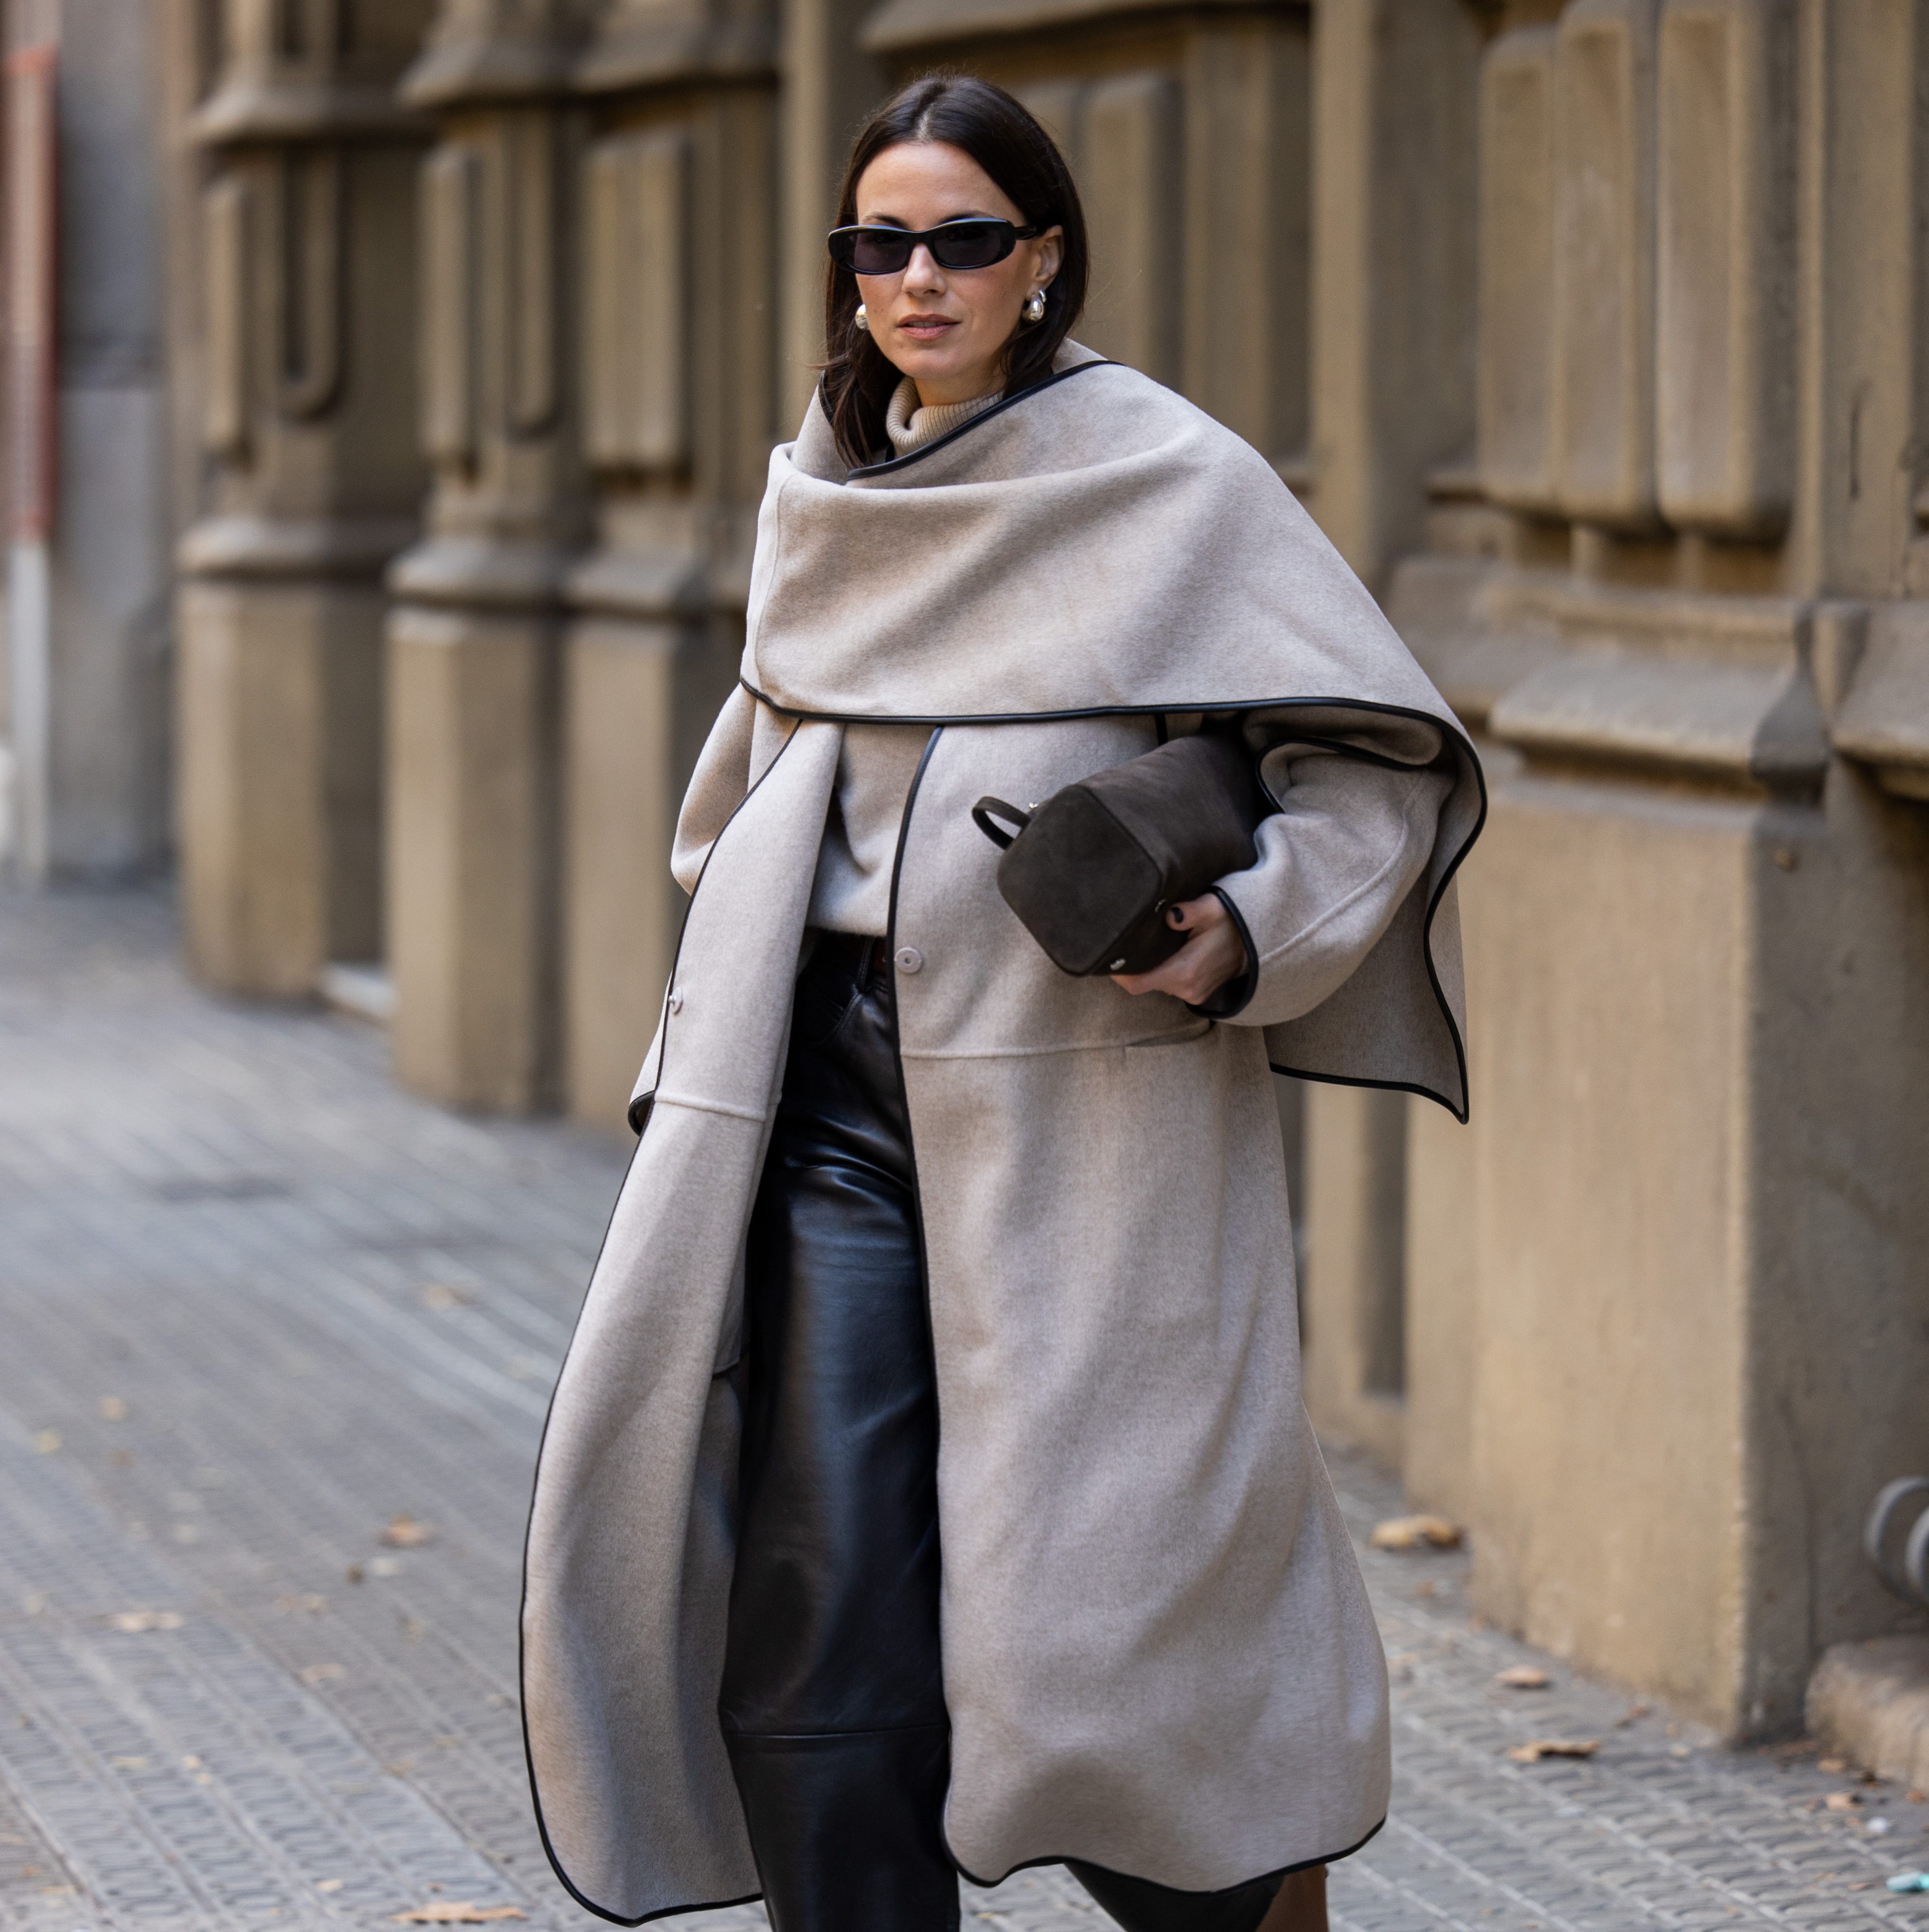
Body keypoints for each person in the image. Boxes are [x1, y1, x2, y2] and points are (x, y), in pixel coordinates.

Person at [521, 72, 1484, 1932]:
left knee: (1114, 1620)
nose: (920, 277)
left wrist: (1243, 933)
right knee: (824, 1600)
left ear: (1041, 258)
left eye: (965, 239)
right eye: (882, 242)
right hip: (828, 1102)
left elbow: (1372, 769)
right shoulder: (822, 487)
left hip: (1089, 1107)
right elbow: (758, 760)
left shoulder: (1163, 475)